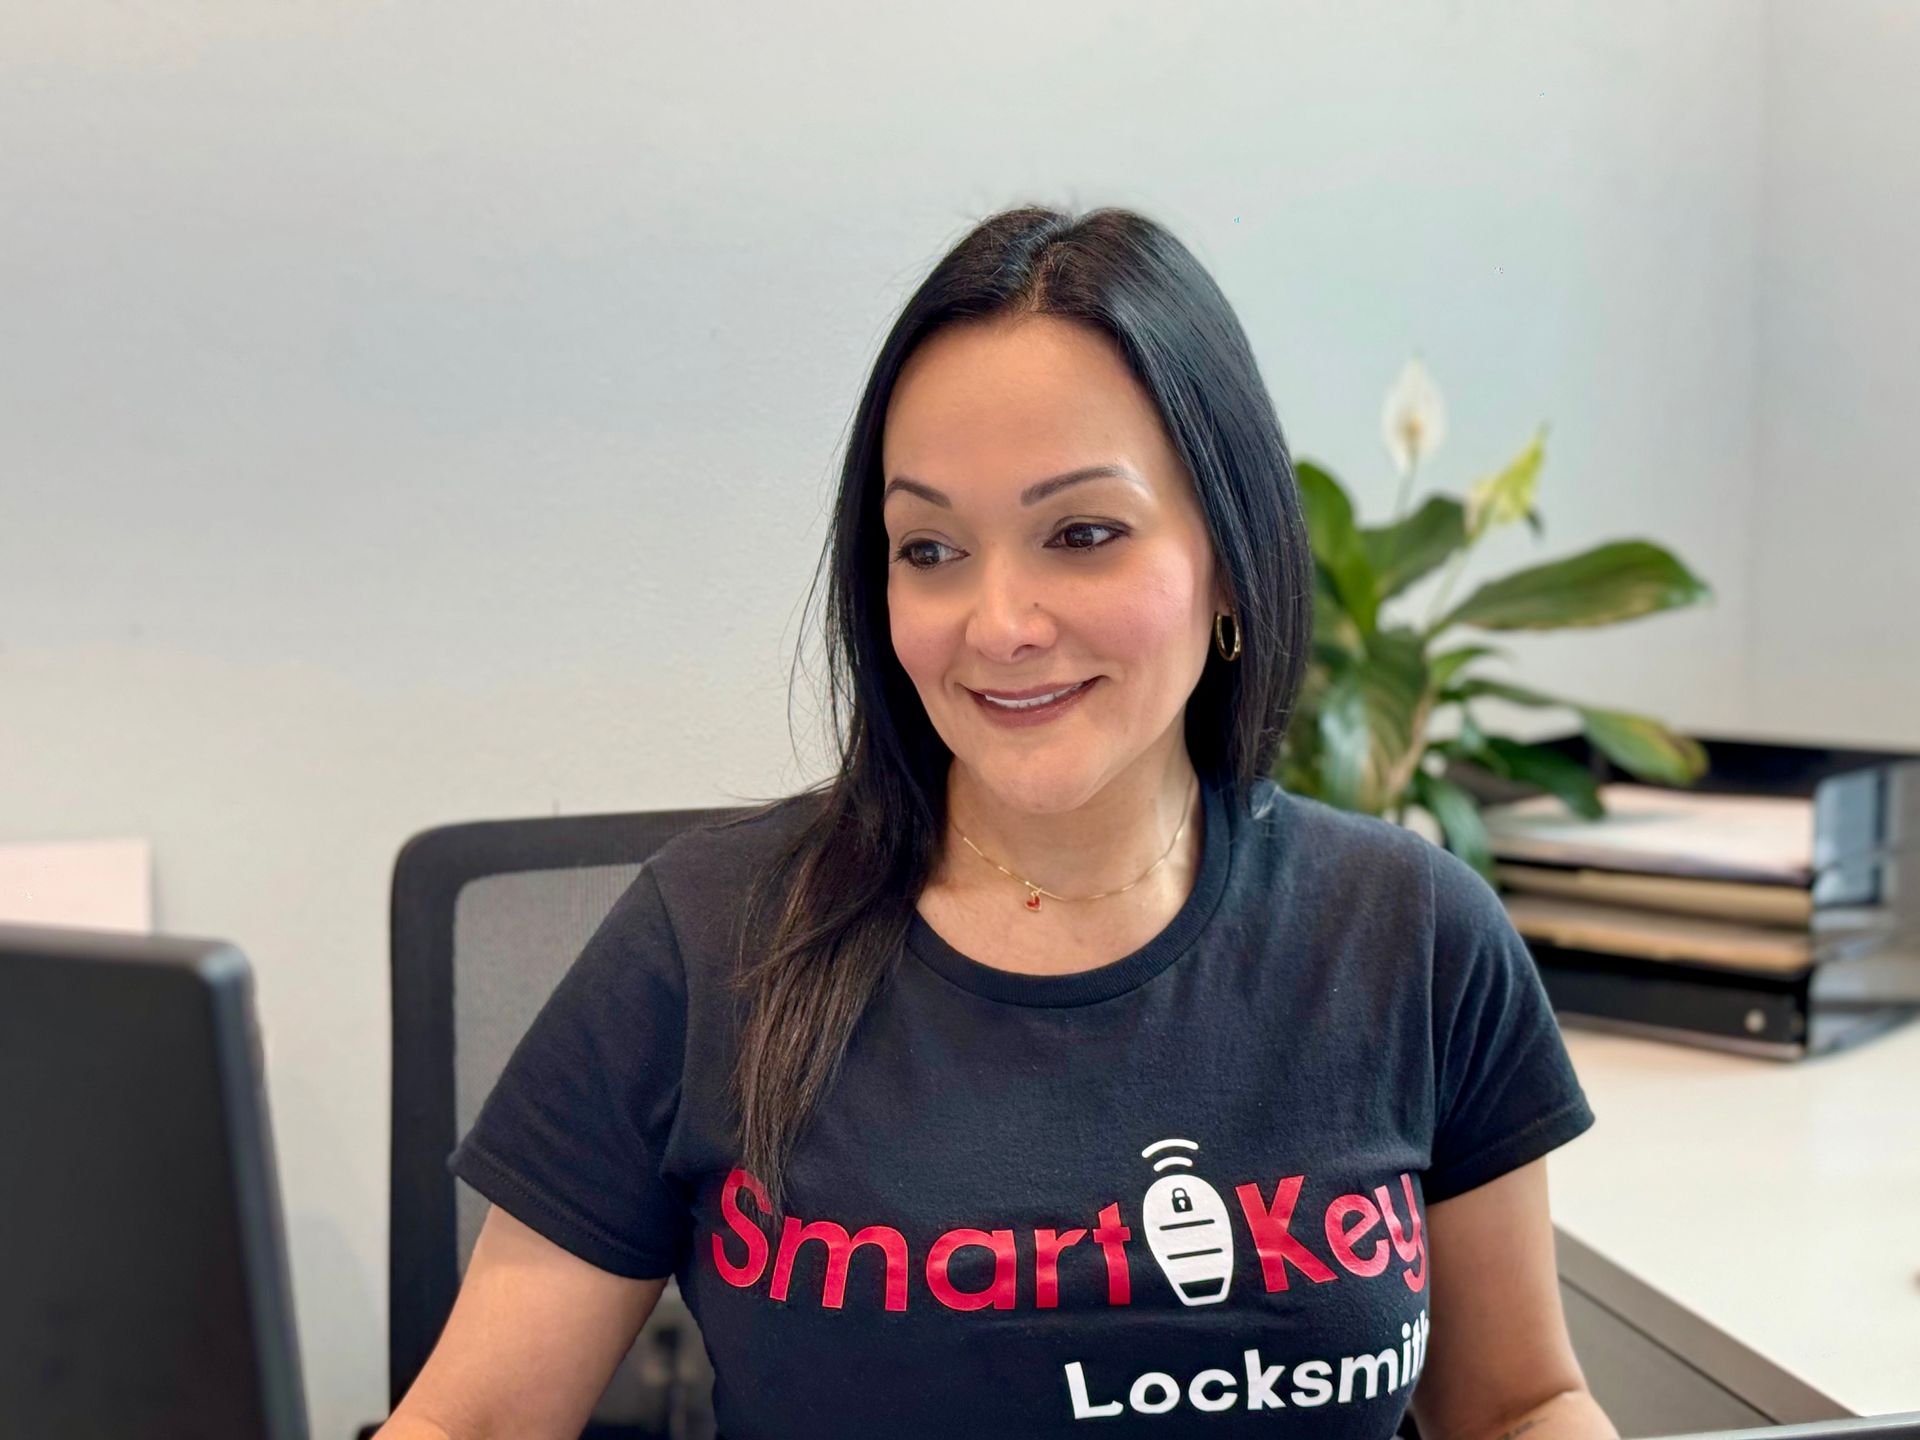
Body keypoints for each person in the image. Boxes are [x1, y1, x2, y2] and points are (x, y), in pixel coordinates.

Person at [376, 205, 1616, 1440]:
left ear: (1230, 557)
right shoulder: (706, 942)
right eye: (930, 548)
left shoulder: (1410, 935)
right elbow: (468, 1426)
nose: (1001, 624)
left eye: (1082, 534)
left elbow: (1521, 1406)